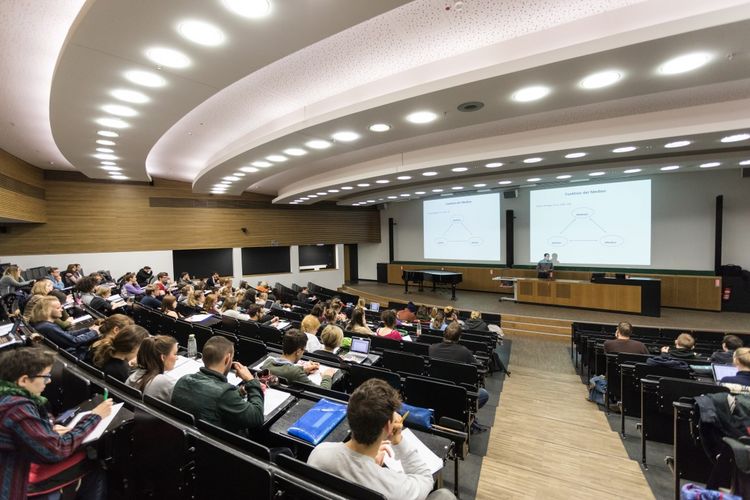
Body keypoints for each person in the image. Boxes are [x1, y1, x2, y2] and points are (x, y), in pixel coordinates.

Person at [308, 379, 455, 500]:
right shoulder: (395, 488)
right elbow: (425, 478)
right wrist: (398, 440)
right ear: (388, 427)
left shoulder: (319, 452)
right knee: (445, 496)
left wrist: (370, 462)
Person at [0, 347, 113, 500]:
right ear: (24, 380)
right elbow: (57, 450)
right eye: (45, 376)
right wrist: (95, 417)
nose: (49, 380)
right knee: (94, 465)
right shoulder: (18, 410)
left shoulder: (7, 397)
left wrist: (48, 430)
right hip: (11, 486)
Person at [171, 336, 264, 434]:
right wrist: (251, 381)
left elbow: (210, 398)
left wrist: (239, 392)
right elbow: (257, 417)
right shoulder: (225, 394)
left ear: (203, 358)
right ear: (227, 359)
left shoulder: (183, 380)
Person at [429, 322, 489, 427]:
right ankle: (462, 415)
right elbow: (480, 367)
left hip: (434, 391)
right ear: (459, 338)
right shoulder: (464, 352)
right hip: (457, 395)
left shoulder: (432, 348)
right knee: (483, 394)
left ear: (444, 334)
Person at [262, 329, 336, 388]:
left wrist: (304, 370)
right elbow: (322, 391)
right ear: (298, 351)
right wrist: (327, 376)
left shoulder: (267, 363)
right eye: (303, 350)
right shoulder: (295, 373)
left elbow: (285, 370)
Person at [30, 296, 99, 358]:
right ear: (47, 311)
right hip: (73, 355)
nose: (62, 310)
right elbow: (74, 341)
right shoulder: (48, 327)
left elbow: (66, 334)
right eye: (58, 308)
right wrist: (95, 332)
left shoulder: (45, 325)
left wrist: (88, 330)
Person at [127, 335, 179, 401]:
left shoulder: (133, 376)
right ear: (163, 357)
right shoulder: (166, 382)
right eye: (175, 354)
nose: (177, 358)